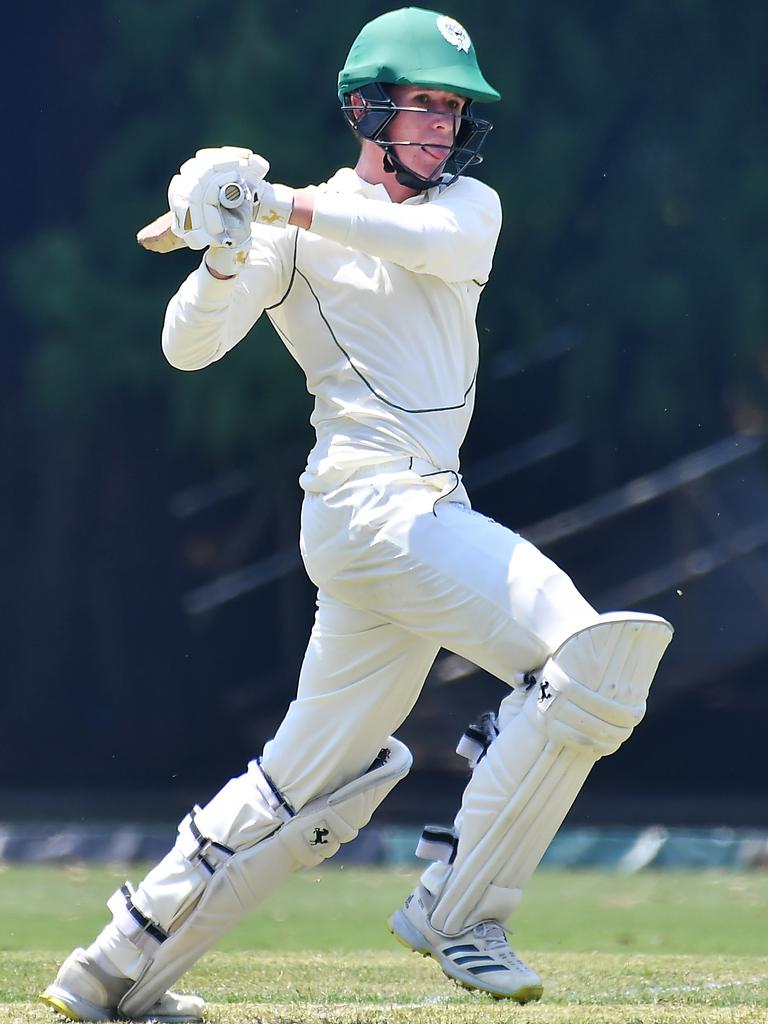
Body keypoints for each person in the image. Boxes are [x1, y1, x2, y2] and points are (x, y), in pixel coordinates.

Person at [41, 8, 673, 1021]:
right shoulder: (293, 235)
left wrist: (273, 203)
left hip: (412, 518)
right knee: (586, 663)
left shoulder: (467, 211)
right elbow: (186, 348)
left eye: (452, 107)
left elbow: (404, 236)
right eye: (421, 102)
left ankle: (114, 968)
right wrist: (218, 251)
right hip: (372, 512)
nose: (440, 125)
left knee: (307, 783)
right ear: (366, 106)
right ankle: (461, 910)